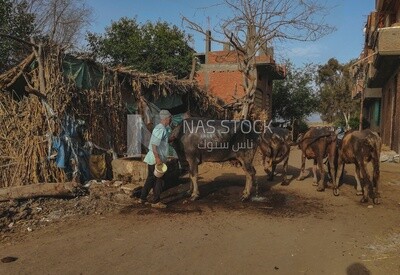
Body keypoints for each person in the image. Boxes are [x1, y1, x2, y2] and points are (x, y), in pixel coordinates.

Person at [137, 109, 172, 208]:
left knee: (151, 179)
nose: (170, 120)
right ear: (166, 118)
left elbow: (160, 141)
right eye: (170, 118)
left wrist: (169, 140)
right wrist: (158, 158)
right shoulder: (160, 129)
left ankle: (142, 198)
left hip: (154, 158)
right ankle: (156, 201)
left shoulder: (161, 129)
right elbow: (154, 145)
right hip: (155, 158)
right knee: (159, 180)